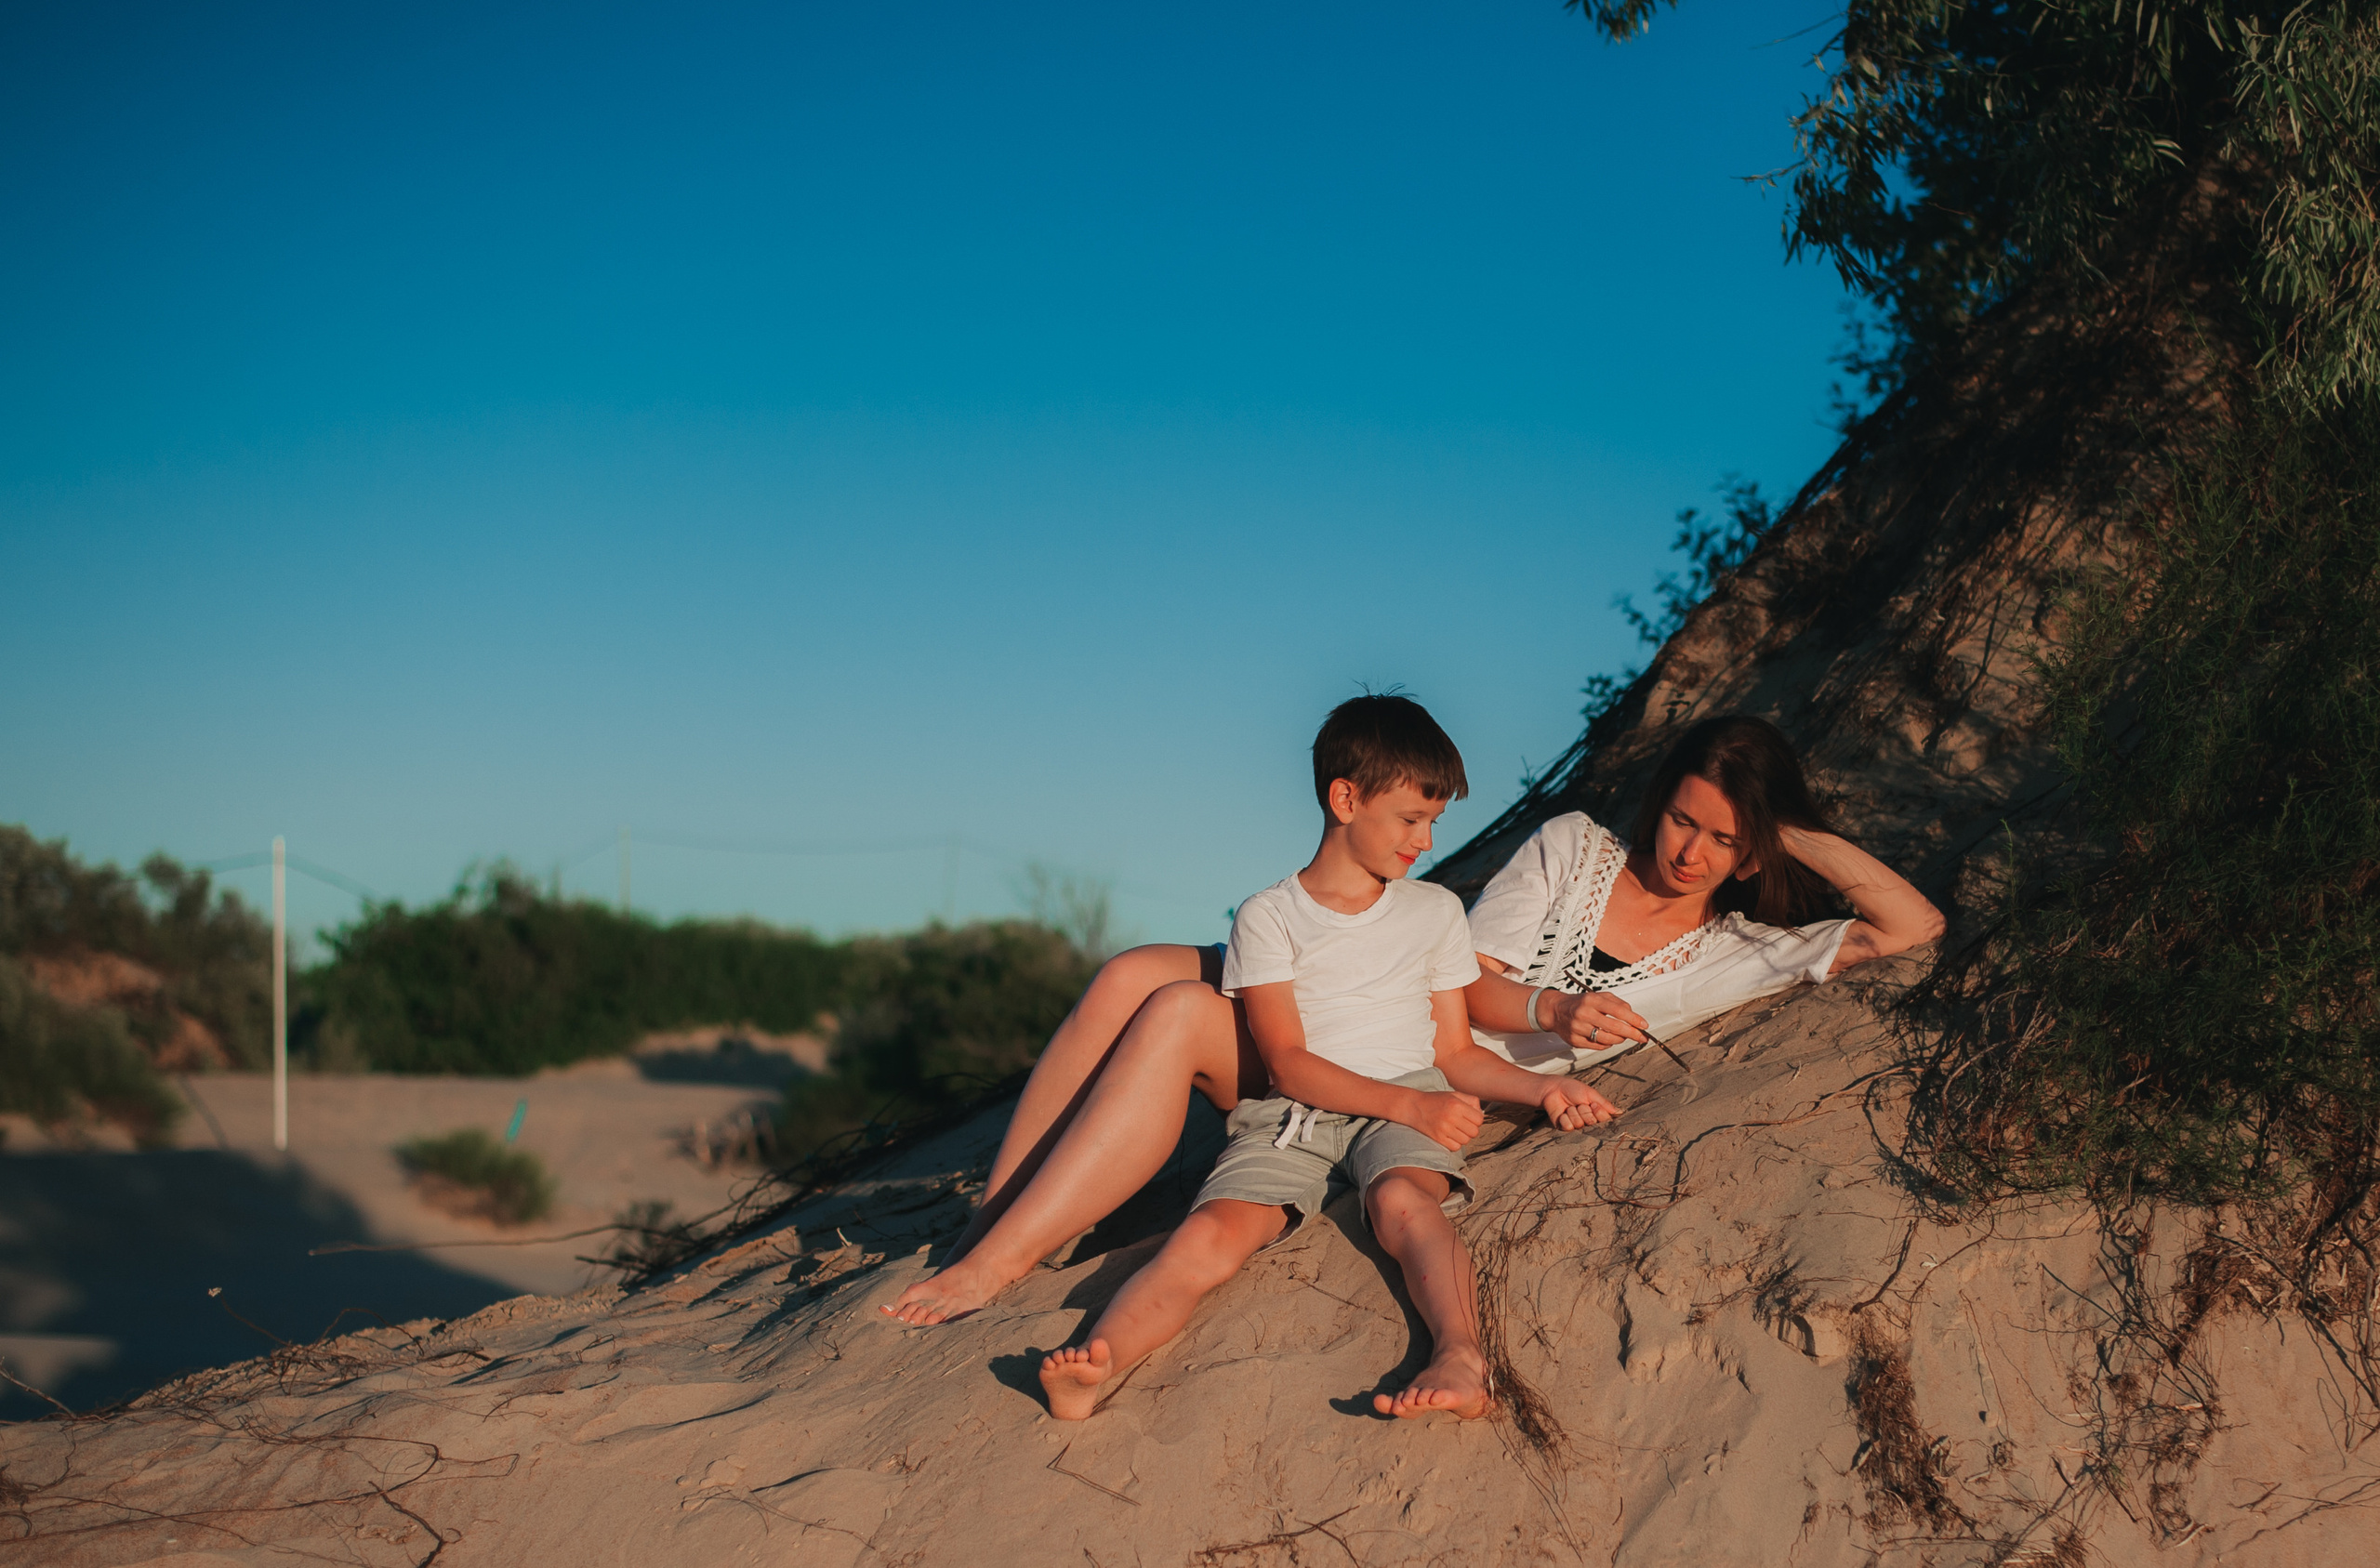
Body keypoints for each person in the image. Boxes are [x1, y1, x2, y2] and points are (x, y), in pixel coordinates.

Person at [881, 713, 1943, 1328]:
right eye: (1681, 815)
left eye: (1722, 837)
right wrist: (1555, 1005)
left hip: (1416, 1068)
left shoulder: (1738, 951)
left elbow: (1909, 923)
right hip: (1379, 988)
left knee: (1169, 1009)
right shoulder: (1573, 846)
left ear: (1753, 850)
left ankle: (1004, 1248)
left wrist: (1788, 826)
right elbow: (1462, 981)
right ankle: (993, 1226)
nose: (1689, 850)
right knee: (1126, 978)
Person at [1036, 695, 1605, 1420]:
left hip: (1407, 1094)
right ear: (1345, 798)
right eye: (1410, 819)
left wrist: (1540, 1091)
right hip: (1296, 1113)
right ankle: (1102, 1356)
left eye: (1434, 822)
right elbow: (1288, 1066)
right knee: (1212, 1231)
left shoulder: (1432, 912)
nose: (1424, 841)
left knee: (1406, 1205)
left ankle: (1461, 1354)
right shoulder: (1267, 915)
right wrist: (1409, 1104)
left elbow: (1454, 1050)